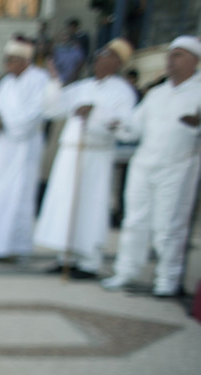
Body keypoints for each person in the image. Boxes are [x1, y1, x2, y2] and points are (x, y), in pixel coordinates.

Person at [102, 36, 201, 297]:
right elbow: (134, 128)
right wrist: (118, 124)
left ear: (194, 60)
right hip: (144, 165)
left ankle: (167, 279)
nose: (171, 59)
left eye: (178, 54)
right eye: (170, 54)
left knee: (168, 225)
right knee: (134, 221)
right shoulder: (156, 93)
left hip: (178, 167)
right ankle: (126, 271)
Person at [34, 38, 137, 279]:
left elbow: (125, 127)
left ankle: (89, 262)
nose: (100, 58)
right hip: (71, 153)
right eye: (100, 53)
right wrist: (54, 81)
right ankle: (66, 257)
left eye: (107, 54)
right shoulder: (83, 87)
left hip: (95, 155)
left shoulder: (123, 91)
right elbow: (53, 109)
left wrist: (96, 113)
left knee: (89, 206)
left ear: (118, 62)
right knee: (67, 205)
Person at [0, 37, 50, 260]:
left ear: (24, 59)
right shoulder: (6, 83)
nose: (7, 64)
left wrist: (3, 120)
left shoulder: (39, 79)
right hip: (1, 150)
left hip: (22, 150)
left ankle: (12, 248)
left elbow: (35, 115)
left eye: (11, 60)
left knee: (16, 195)